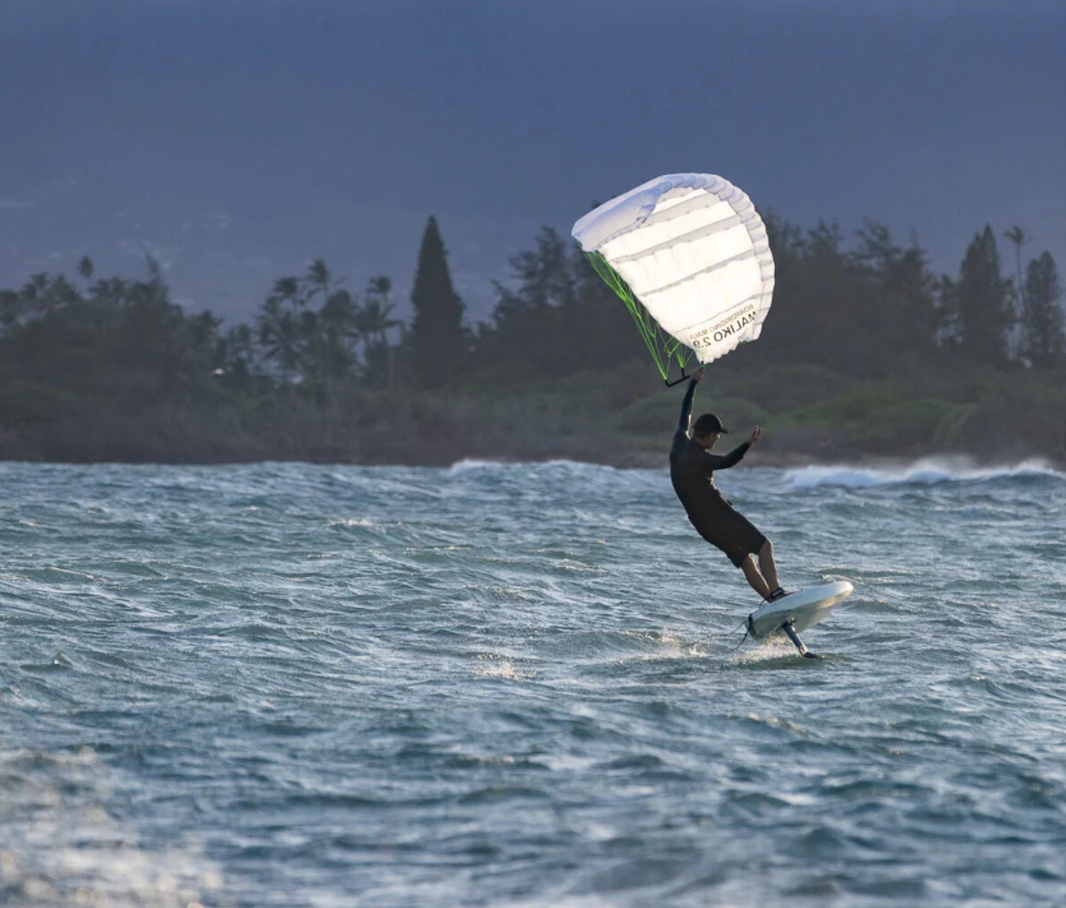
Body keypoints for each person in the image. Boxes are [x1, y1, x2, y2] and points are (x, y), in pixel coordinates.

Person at [669, 366, 786, 602]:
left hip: (702, 525)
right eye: (718, 435)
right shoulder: (699, 459)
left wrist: (693, 383)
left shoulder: (679, 442)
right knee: (764, 546)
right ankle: (777, 593)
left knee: (745, 560)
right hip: (719, 515)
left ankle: (772, 603)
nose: (718, 439)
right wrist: (747, 444)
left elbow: (685, 411)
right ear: (711, 435)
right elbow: (727, 461)